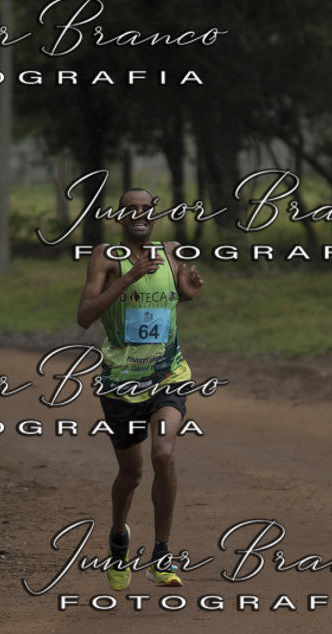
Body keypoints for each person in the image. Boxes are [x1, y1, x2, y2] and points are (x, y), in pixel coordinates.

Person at [77, 187, 204, 589]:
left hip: (168, 375)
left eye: (145, 208)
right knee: (130, 475)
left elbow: (176, 296)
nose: (138, 214)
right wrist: (129, 277)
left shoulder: (172, 251)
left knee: (164, 455)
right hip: (119, 383)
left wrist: (188, 291)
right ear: (119, 218)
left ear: (155, 214)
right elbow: (84, 316)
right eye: (129, 209)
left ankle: (162, 554)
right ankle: (118, 539)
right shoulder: (105, 256)